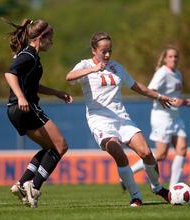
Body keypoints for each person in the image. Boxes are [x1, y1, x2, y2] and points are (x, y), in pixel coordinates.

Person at [66, 32, 175, 207]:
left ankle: (157, 187)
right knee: (119, 154)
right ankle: (136, 196)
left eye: (110, 51)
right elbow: (69, 76)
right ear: (94, 50)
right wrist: (93, 69)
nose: (107, 55)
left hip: (121, 118)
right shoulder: (85, 65)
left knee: (146, 153)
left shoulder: (117, 67)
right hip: (99, 120)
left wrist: (159, 96)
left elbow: (137, 86)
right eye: (103, 51)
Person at [3, 18, 73, 208]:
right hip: (25, 107)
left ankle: (21, 184)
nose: (52, 43)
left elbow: (33, 85)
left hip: (14, 110)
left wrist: (57, 93)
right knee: (61, 146)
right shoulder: (30, 55)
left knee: (50, 148)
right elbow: (10, 74)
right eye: (50, 39)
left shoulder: (30, 55)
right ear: (41, 38)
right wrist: (21, 97)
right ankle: (33, 187)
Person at [128, 46, 190, 189]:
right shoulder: (162, 73)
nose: (173, 59)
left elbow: (174, 96)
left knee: (182, 149)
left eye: (176, 56)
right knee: (161, 154)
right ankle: (130, 172)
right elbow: (151, 92)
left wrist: (183, 101)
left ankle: (174, 188)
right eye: (170, 56)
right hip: (161, 117)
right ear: (165, 58)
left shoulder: (178, 74)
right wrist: (173, 101)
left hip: (175, 117)